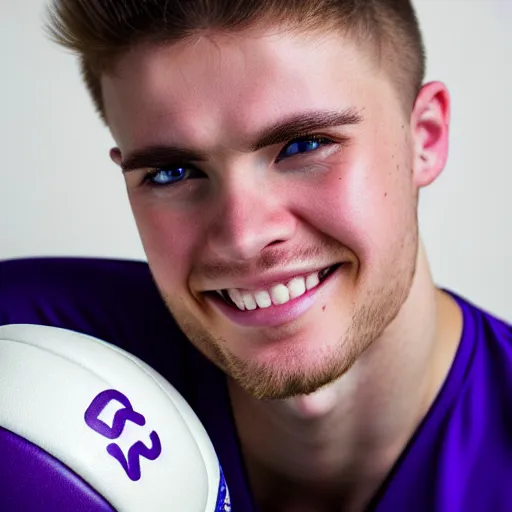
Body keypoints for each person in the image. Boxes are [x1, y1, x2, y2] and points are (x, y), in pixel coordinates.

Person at [1, 1, 511, 510]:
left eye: (304, 145)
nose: (242, 236)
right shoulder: (20, 349)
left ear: (425, 137)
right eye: (171, 173)